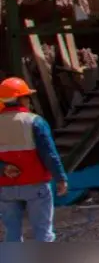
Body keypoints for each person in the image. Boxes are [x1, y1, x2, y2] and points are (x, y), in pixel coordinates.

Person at [0, 77, 68, 242]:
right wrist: (60, 178)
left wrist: (2, 168)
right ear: (21, 99)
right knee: (43, 232)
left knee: (12, 235)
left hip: (6, 187)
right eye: (27, 96)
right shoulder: (34, 121)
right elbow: (49, 153)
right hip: (35, 184)